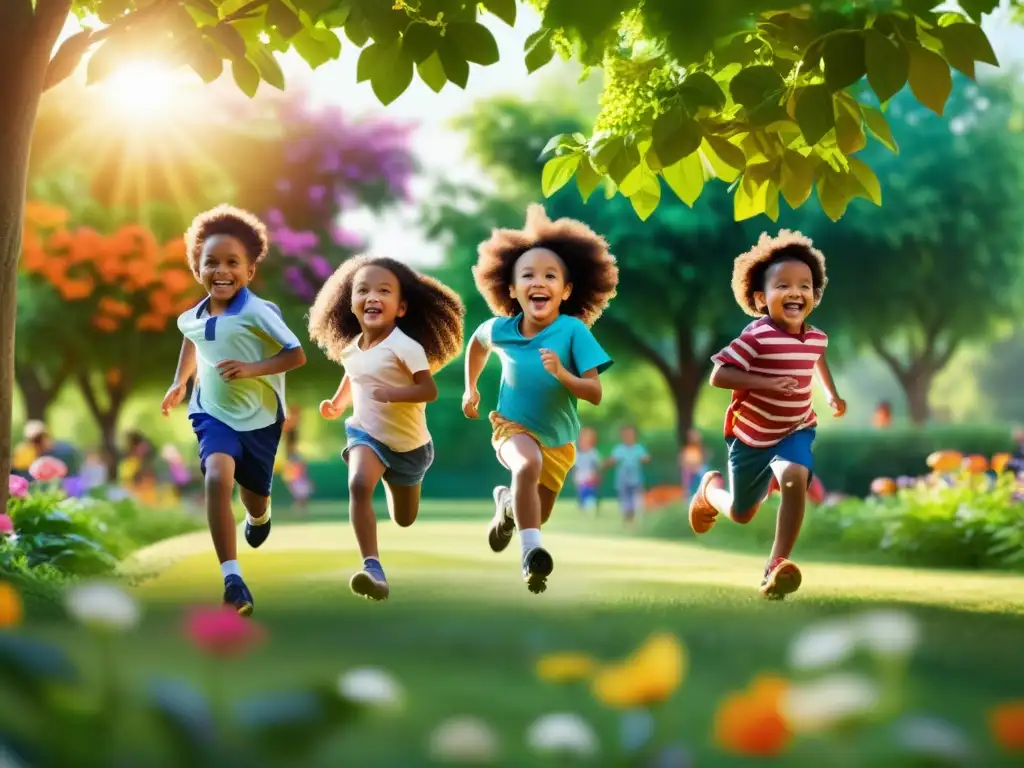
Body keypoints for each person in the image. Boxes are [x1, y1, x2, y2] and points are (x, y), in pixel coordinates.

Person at [463, 204, 619, 594]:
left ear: (566, 291)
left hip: (559, 441)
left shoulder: (573, 332)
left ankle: (507, 505)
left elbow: (595, 393)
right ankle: (532, 556)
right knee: (526, 461)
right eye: (527, 275)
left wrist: (563, 375)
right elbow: (477, 344)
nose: (539, 282)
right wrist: (471, 387)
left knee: (538, 510)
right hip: (512, 426)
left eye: (550, 276)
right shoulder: (501, 329)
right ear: (511, 289)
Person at [161, 204, 307, 616]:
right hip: (211, 412)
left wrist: (252, 370)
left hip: (260, 418)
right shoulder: (190, 317)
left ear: (249, 272)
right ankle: (233, 580)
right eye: (211, 262)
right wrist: (180, 381)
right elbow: (193, 339)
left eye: (232, 263)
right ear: (197, 269)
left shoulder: (259, 311)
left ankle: (260, 517)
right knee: (216, 476)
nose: (221, 270)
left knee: (254, 497)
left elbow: (295, 355)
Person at [687, 230, 846, 600]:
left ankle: (776, 567)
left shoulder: (816, 337)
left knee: (794, 477)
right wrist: (767, 383)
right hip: (751, 437)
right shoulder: (756, 336)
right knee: (743, 512)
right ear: (761, 298)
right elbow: (719, 374)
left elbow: (816, 357)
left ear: (815, 296)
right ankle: (709, 493)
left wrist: (831, 394)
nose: (795, 292)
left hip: (796, 428)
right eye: (783, 286)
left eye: (805, 286)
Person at [310, 255, 464, 602]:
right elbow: (354, 373)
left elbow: (429, 390)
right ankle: (372, 568)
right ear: (350, 303)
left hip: (410, 447)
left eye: (384, 291)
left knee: (404, 519)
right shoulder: (351, 348)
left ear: (402, 308)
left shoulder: (406, 348)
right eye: (363, 290)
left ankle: (400, 494)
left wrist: (395, 393)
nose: (373, 296)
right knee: (360, 484)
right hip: (365, 433)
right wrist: (337, 403)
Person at [606, 425, 650, 527]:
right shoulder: (619, 449)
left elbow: (646, 458)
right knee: (625, 499)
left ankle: (633, 518)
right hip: (623, 479)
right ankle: (626, 518)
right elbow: (613, 460)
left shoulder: (639, 448)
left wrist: (645, 459)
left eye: (631, 434)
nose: (628, 437)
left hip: (636, 478)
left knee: (635, 499)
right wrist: (609, 462)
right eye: (626, 435)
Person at [572, 426, 602, 515]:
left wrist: (596, 475)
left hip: (591, 476)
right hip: (580, 476)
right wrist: (575, 476)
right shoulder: (577, 454)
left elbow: (597, 465)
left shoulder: (593, 453)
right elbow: (575, 466)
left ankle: (593, 506)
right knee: (582, 492)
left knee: (591, 491)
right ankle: (582, 506)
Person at [679, 428, 706, 501]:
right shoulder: (686, 448)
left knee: (703, 473)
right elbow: (682, 461)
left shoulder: (699, 448)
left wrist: (696, 466)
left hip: (698, 467)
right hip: (688, 468)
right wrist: (689, 466)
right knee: (687, 481)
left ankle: (703, 494)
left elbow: (702, 460)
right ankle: (687, 498)